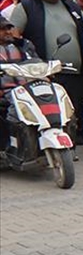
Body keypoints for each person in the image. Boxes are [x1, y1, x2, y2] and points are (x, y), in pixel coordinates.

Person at [8, 0, 83, 145]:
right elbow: (13, 36)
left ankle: (70, 146)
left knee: (72, 112)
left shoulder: (71, 6)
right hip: (43, 73)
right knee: (48, 114)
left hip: (74, 71)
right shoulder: (27, 6)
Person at [0, 15, 41, 152]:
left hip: (29, 89)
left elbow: (36, 62)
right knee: (14, 111)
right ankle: (13, 146)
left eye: (9, 28)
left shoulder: (24, 45)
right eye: (2, 29)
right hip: (6, 92)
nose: (7, 32)